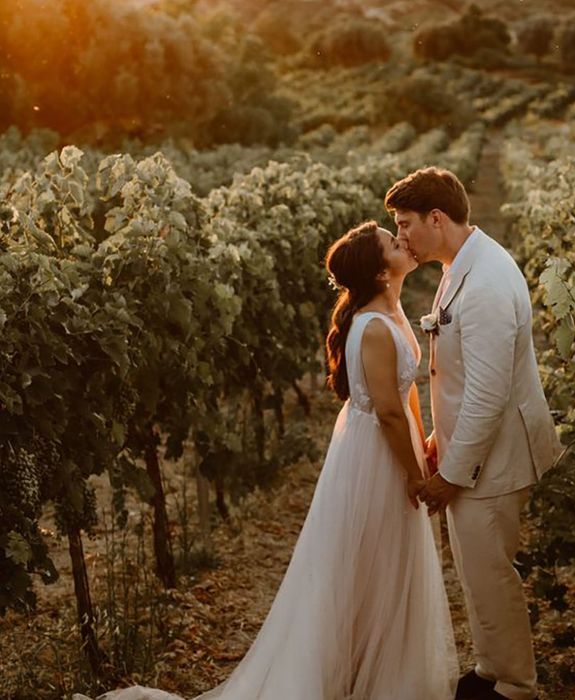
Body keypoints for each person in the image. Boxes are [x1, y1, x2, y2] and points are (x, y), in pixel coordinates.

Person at [78, 221, 458, 700]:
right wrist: (412, 476)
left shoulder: (392, 310)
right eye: (391, 240)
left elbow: (404, 397)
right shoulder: (376, 326)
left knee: (383, 560)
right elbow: (385, 411)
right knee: (367, 558)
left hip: (391, 444)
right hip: (375, 455)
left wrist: (422, 445)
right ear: (381, 271)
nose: (401, 241)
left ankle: (375, 671)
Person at [385, 167, 562, 700]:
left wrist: (453, 474)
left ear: (436, 218)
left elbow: (487, 394)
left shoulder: (484, 282)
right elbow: (462, 378)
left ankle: (515, 687)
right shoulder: (465, 261)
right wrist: (442, 436)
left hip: (495, 457)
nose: (401, 236)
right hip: (479, 449)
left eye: (405, 223)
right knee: (476, 570)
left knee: (491, 574)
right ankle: (490, 670)